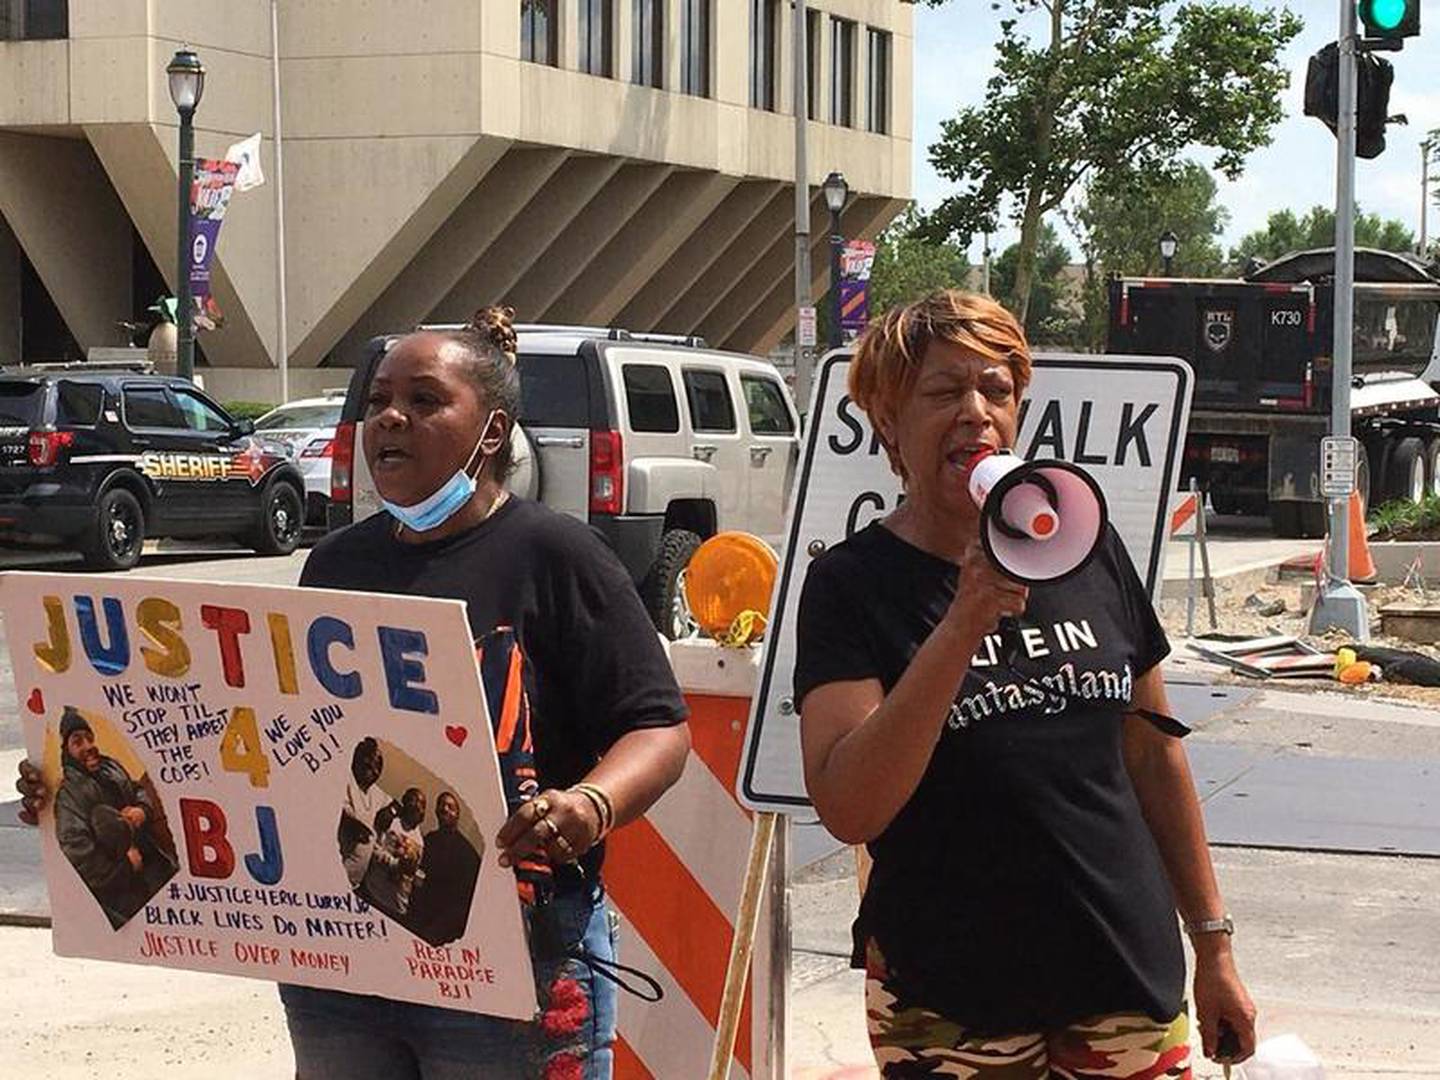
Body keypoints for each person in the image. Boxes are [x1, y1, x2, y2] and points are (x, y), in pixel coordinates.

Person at [794, 289, 1256, 1078]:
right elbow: (848, 804)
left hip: (1120, 976)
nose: (976, 412)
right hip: (950, 1002)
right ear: (888, 425)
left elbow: (1153, 757)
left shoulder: (1085, 545)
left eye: (997, 390)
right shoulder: (851, 584)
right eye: (943, 392)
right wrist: (963, 619)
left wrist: (1214, 946)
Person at [52, 707, 176, 929]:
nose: (88, 746)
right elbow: (78, 853)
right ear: (66, 750)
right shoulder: (69, 797)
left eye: (89, 739)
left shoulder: (111, 767)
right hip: (121, 893)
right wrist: (125, 866)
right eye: (77, 742)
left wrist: (142, 810)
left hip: (155, 864)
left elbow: (138, 790)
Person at [409, 791, 483, 947]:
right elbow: (419, 875)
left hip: (446, 928)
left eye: (450, 807)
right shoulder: (429, 839)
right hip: (420, 916)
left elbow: (469, 900)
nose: (444, 809)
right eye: (441, 805)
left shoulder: (468, 853)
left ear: (457, 814)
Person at [363, 786, 427, 919]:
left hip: (397, 905)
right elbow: (372, 848)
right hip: (374, 893)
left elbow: (410, 870)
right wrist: (394, 863)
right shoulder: (390, 821)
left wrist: (413, 875)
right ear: (404, 801)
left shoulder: (420, 841)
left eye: (422, 804)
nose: (417, 806)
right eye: (413, 800)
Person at [339, 737, 394, 891]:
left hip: (354, 885)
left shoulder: (377, 793)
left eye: (378, 765)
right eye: (368, 759)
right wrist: (349, 823)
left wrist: (391, 811)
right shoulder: (345, 779)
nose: (372, 766)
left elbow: (397, 804)